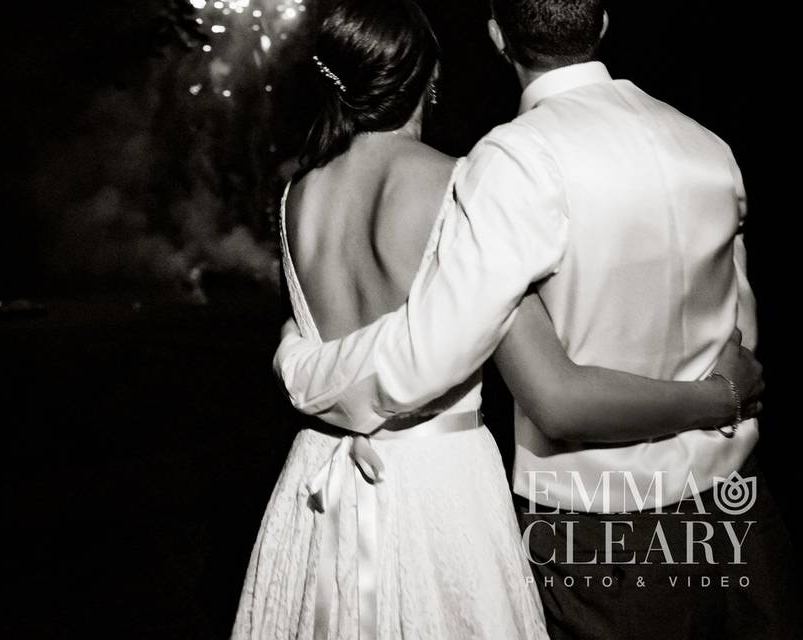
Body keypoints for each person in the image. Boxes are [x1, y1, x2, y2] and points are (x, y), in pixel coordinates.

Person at [234, 1, 765, 639]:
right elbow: (549, 385)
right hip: (437, 493)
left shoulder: (298, 196)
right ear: (430, 78)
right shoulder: (456, 184)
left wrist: (298, 361)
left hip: (316, 487)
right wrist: (719, 397)